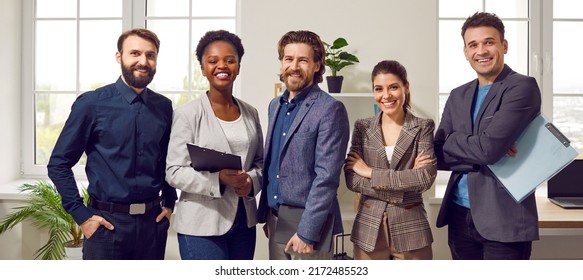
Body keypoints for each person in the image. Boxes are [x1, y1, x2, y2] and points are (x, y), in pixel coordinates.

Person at [47, 28, 177, 260]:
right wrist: (82, 216)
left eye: (150, 55)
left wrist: (169, 202)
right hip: (106, 226)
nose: (143, 61)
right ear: (119, 57)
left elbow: (166, 159)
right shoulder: (91, 104)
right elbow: (59, 163)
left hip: (152, 225)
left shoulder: (164, 107)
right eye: (135, 53)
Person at [434, 12, 541, 260]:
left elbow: (487, 149)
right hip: (459, 215)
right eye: (473, 45)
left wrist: (456, 142)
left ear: (504, 45)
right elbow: (437, 153)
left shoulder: (522, 87)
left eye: (489, 42)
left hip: (504, 218)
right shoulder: (457, 95)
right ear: (466, 51)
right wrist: (483, 151)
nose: (481, 50)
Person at [165, 30, 263, 260]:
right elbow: (174, 171)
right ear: (203, 68)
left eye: (230, 60)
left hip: (243, 222)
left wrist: (251, 181)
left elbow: (259, 162)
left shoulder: (251, 113)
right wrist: (217, 179)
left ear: (238, 66)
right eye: (213, 61)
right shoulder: (188, 114)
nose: (222, 66)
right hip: (201, 224)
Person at [256, 30, 350, 260]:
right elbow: (274, 164)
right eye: (288, 59)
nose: (294, 66)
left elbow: (326, 178)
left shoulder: (330, 109)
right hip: (276, 220)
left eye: (303, 60)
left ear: (317, 65)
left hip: (310, 228)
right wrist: (270, 215)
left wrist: (307, 233)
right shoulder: (274, 105)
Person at [344, 60, 436, 260]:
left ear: (406, 87)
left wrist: (369, 172)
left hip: (412, 229)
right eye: (379, 89)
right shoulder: (363, 127)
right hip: (368, 229)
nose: (386, 96)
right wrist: (405, 180)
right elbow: (352, 179)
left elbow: (424, 179)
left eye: (393, 87)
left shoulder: (423, 127)